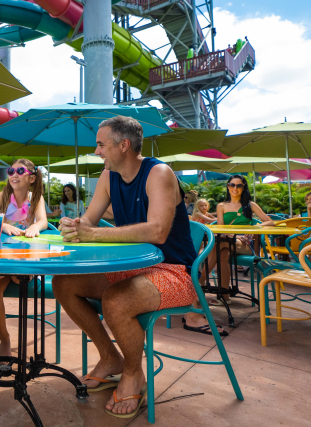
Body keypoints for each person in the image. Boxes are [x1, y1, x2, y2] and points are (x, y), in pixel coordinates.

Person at [52, 116, 200, 418]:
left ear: (124, 145)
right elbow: (90, 223)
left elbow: (158, 231)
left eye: (101, 144)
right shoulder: (108, 177)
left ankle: (133, 374)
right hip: (132, 269)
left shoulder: (158, 173)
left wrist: (92, 233)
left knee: (116, 300)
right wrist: (74, 225)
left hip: (174, 271)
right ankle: (110, 358)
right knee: (63, 283)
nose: (97, 151)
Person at [0, 159, 48, 361]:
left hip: (24, 257)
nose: (13, 174)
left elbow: (43, 220)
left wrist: (36, 226)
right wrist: (2, 226)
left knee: (20, 277)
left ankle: (18, 275)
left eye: (19, 171)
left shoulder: (36, 198)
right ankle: (4, 338)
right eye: (10, 171)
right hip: (2, 256)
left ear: (31, 178)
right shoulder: (2, 196)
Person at [202, 175, 274, 306]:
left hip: (245, 245)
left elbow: (270, 222)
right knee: (222, 252)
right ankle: (224, 296)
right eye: (232, 185)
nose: (235, 188)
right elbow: (221, 228)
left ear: (243, 187)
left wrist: (253, 228)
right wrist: (230, 234)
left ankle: (199, 283)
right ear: (228, 186)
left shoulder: (250, 205)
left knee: (220, 245)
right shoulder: (221, 206)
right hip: (227, 241)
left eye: (239, 185)